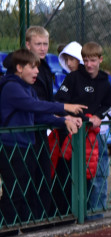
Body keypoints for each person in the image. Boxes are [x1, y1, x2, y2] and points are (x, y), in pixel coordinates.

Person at [0, 49, 84, 226]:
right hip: (12, 147)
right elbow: (35, 105)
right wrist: (64, 107)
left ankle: (20, 227)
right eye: (33, 67)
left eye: (38, 67)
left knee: (25, 191)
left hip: (26, 146)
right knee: (14, 192)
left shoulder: (27, 88)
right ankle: (7, 230)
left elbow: (37, 116)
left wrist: (64, 121)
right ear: (19, 68)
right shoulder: (11, 87)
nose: (37, 72)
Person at [56, 41, 111, 218]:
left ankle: (95, 217)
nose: (89, 64)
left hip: (97, 137)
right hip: (75, 135)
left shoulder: (104, 80)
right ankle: (74, 215)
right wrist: (69, 115)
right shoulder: (73, 78)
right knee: (74, 178)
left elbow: (110, 103)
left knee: (97, 178)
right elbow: (59, 100)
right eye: (86, 60)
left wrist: (100, 116)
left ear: (100, 60)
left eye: (93, 60)